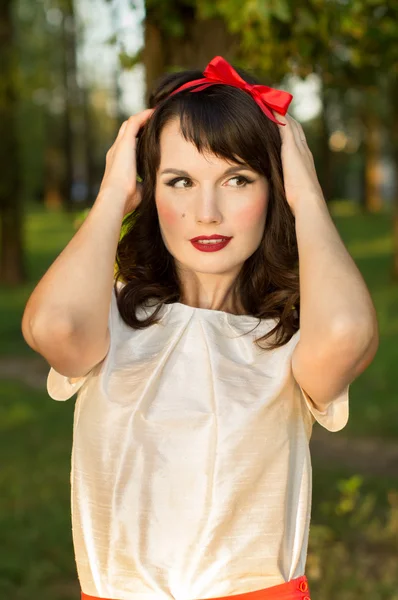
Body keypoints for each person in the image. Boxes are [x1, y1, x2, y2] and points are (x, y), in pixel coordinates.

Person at [22, 56, 378, 600]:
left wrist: (307, 195)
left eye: (237, 179)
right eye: (180, 181)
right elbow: (52, 326)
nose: (206, 212)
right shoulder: (110, 320)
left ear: (274, 190)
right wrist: (112, 194)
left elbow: (351, 332)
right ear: (149, 191)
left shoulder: (288, 337)